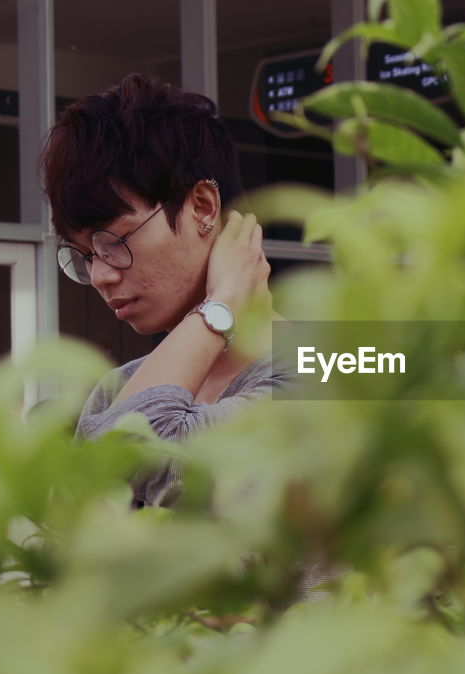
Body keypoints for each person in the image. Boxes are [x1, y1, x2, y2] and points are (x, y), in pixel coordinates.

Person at [41, 73, 283, 508]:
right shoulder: (120, 386)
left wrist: (220, 306)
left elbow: (150, 468)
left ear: (202, 207)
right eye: (85, 255)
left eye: (113, 242)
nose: (99, 276)